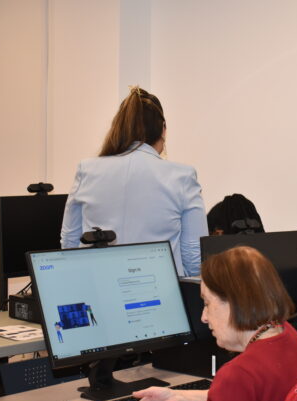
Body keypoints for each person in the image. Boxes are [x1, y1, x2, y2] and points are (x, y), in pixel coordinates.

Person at [99, 246, 297, 401]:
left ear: (234, 303)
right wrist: (178, 397)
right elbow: (248, 400)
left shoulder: (238, 374)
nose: (204, 317)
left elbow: (240, 390)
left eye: (207, 303)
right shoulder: (287, 336)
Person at [60, 86, 208, 276]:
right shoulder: (183, 176)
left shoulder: (87, 169)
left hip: (98, 284)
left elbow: (70, 243)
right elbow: (194, 258)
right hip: (159, 287)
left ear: (119, 128)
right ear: (163, 129)